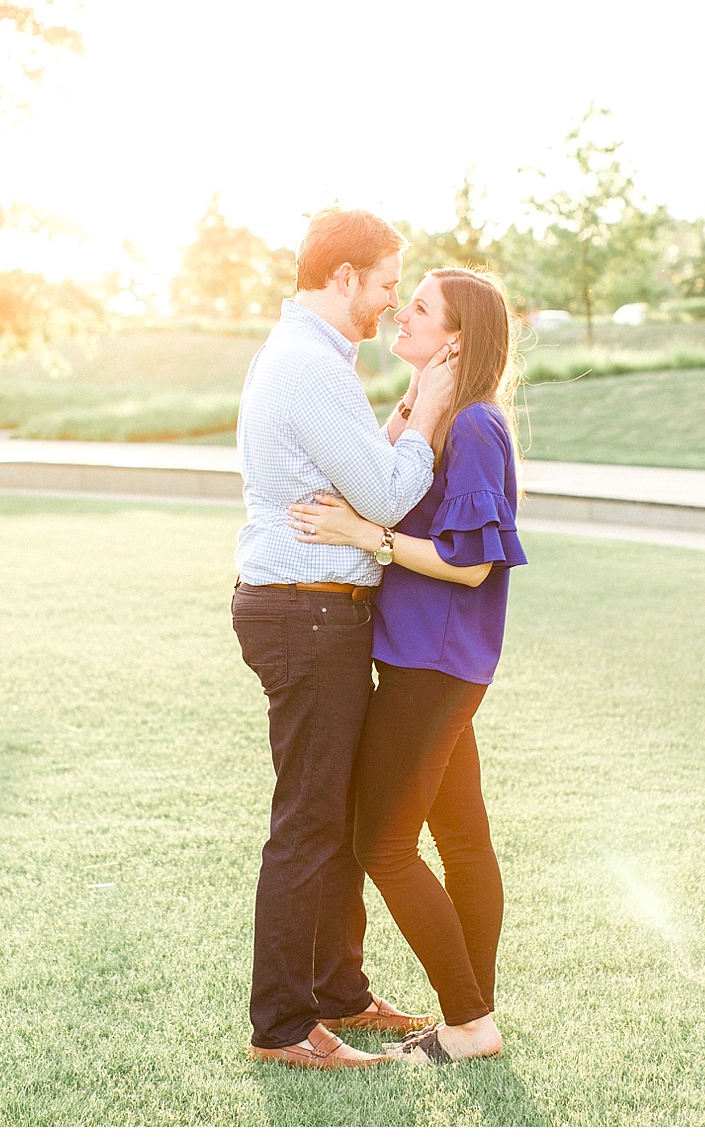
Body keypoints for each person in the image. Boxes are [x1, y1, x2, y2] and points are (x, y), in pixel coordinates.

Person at [231, 208, 462, 1071]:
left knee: (332, 814)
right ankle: (284, 1024)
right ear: (344, 278)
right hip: (307, 611)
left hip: (314, 608)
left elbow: (361, 474)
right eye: (387, 285)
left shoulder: (309, 356)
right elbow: (389, 497)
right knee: (309, 819)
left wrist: (398, 419)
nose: (392, 302)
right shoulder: (310, 366)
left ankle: (338, 990)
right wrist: (429, 412)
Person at [287, 267, 527, 1066]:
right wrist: (415, 401)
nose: (402, 312)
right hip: (428, 659)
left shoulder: (477, 426)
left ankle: (468, 1020)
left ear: (457, 338)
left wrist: (368, 539)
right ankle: (474, 1016)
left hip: (435, 664)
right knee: (462, 836)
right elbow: (379, 482)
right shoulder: (444, 414)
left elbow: (471, 565)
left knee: (382, 843)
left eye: (421, 308)